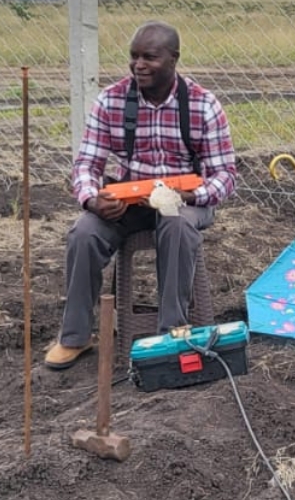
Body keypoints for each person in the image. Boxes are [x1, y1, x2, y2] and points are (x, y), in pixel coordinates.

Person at [45, 21, 237, 370]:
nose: (139, 65)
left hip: (187, 203)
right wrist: (92, 199)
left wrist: (189, 196)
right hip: (131, 200)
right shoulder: (112, 99)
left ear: (174, 59)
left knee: (176, 227)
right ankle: (75, 337)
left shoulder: (202, 105)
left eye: (150, 57)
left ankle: (171, 335)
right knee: (84, 233)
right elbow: (86, 164)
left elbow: (225, 175)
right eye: (133, 57)